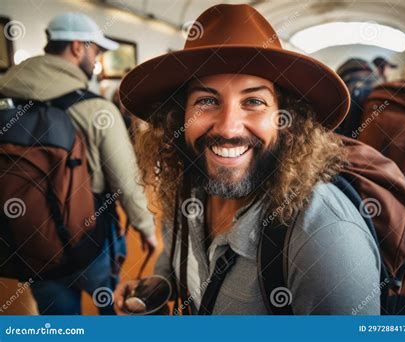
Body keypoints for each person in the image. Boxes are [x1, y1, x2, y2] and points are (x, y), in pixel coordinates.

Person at [114, 4, 380, 315]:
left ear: (287, 119)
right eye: (207, 101)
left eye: (253, 101)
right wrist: (160, 283)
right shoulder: (188, 185)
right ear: (178, 117)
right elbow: (183, 257)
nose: (228, 127)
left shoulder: (326, 239)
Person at [0, 12, 157, 314]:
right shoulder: (95, 109)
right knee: (110, 306)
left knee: (58, 323)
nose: (96, 59)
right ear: (77, 47)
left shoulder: (7, 98)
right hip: (91, 239)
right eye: (95, 50)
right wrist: (147, 229)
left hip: (32, 245)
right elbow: (125, 182)